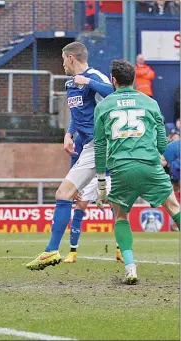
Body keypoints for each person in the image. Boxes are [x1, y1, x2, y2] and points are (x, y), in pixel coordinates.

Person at [25, 41, 114, 271]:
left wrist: (89, 82)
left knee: (124, 202)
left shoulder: (94, 76)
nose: (62, 63)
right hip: (87, 147)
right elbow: (77, 112)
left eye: (63, 59)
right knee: (64, 194)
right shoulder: (69, 84)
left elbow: (115, 94)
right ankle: (51, 251)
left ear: (71, 57)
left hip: (105, 145)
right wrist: (69, 133)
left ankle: (54, 249)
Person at [94, 59, 180, 284]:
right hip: (150, 165)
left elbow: (101, 146)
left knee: (121, 215)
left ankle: (130, 267)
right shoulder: (150, 103)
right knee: (173, 207)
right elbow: (162, 143)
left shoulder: (103, 106)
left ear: (113, 81)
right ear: (134, 80)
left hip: (121, 168)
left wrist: (102, 181)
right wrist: (156, 154)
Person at [64, 133, 123, 263]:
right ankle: (72, 253)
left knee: (118, 211)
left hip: (109, 176)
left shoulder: (112, 132)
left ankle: (120, 251)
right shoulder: (82, 136)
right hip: (88, 177)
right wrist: (74, 184)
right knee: (79, 208)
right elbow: (75, 159)